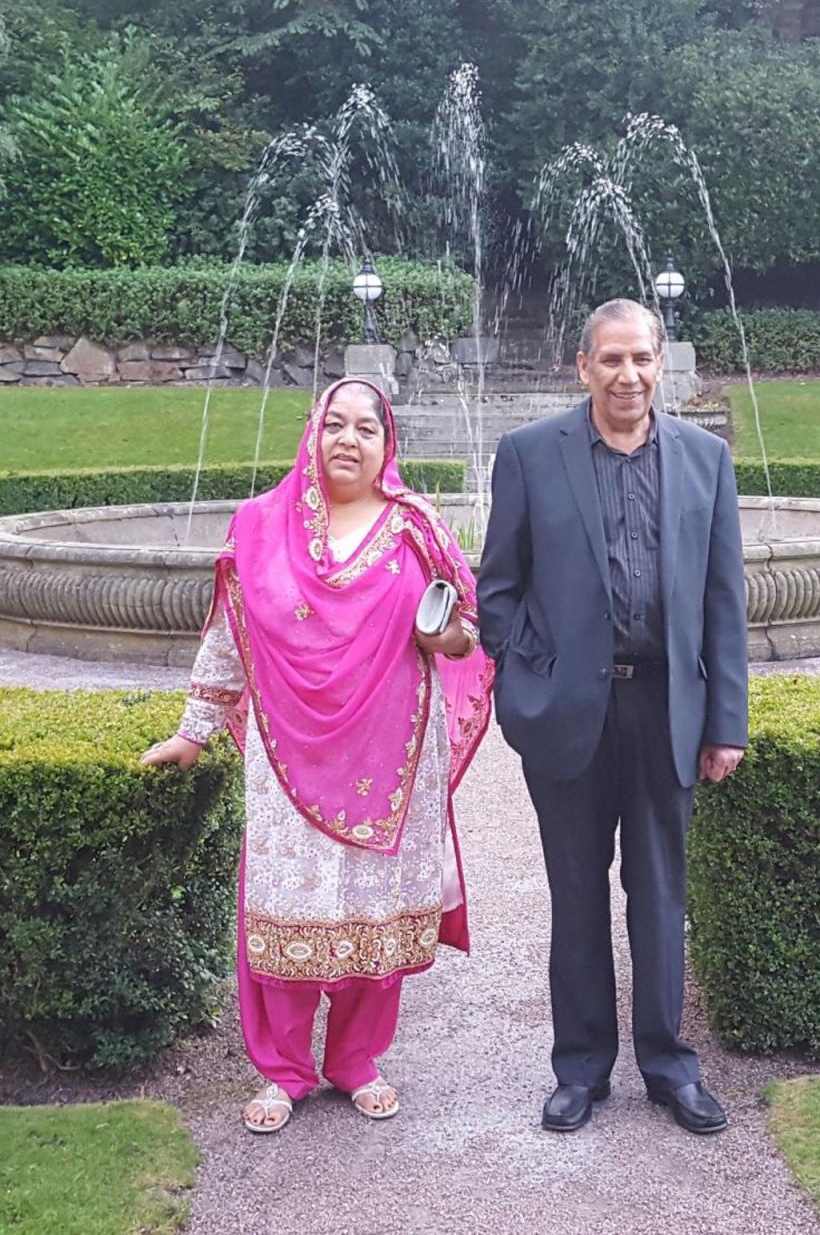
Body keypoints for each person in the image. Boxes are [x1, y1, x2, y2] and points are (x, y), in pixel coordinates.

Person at [142, 379, 492, 1133]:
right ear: (314, 431)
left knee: (373, 902)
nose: (348, 439)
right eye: (335, 423)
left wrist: (446, 638)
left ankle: (356, 1061)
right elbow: (229, 638)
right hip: (286, 746)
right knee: (289, 900)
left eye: (367, 428)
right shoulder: (262, 526)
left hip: (394, 752)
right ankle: (284, 1069)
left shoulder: (414, 526)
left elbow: (465, 632)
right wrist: (192, 732)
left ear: (386, 445)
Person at [477, 300, 748, 1136]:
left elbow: (723, 600)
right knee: (575, 894)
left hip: (668, 706)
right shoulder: (529, 455)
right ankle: (581, 1070)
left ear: (659, 363)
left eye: (642, 359)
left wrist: (726, 722)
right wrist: (537, 670)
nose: (627, 375)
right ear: (583, 366)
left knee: (661, 896)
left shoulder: (706, 459)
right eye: (611, 360)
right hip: (568, 714)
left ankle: (669, 1068)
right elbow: (496, 590)